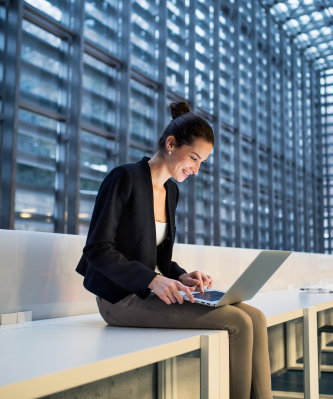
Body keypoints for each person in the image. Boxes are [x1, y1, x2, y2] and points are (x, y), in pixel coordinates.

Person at [76, 101, 273, 399]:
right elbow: (97, 249)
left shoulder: (171, 191)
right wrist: (152, 280)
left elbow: (155, 256)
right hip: (118, 299)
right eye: (194, 158)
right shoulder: (125, 178)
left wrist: (182, 276)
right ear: (171, 144)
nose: (195, 169)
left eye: (201, 163)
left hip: (147, 293)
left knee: (255, 317)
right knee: (238, 323)